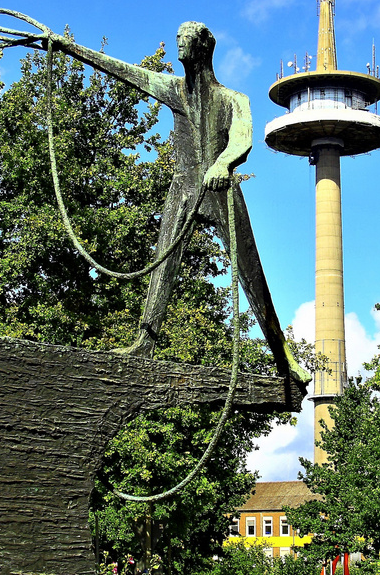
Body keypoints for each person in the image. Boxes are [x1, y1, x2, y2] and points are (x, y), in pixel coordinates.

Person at [51, 22, 311, 388]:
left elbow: (242, 137)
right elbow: (124, 71)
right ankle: (144, 344)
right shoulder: (174, 90)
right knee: (163, 269)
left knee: (252, 275)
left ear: (203, 47)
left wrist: (223, 163)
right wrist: (67, 48)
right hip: (184, 189)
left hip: (220, 190)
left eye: (185, 39)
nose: (179, 44)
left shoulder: (234, 99)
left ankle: (283, 358)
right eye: (177, 38)